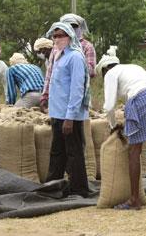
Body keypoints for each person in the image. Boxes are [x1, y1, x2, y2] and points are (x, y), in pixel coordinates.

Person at [98, 46, 146, 210]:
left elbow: (108, 106)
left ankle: (134, 199)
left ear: (105, 69)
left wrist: (113, 126)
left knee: (134, 149)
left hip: (141, 99)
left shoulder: (111, 74)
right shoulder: (131, 67)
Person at [45, 21, 92, 197]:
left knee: (74, 153)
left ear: (69, 37)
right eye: (55, 36)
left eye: (60, 35)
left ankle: (79, 188)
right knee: (57, 152)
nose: (57, 39)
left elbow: (77, 88)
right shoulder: (59, 56)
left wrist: (70, 117)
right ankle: (53, 186)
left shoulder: (75, 57)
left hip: (70, 115)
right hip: (57, 113)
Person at [40, 14, 96, 112]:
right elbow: (50, 74)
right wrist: (45, 95)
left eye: (74, 26)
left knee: (79, 125)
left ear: (78, 27)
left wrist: (77, 59)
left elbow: (91, 72)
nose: (71, 28)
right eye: (68, 26)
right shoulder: (56, 48)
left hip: (79, 97)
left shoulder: (87, 46)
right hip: (58, 98)